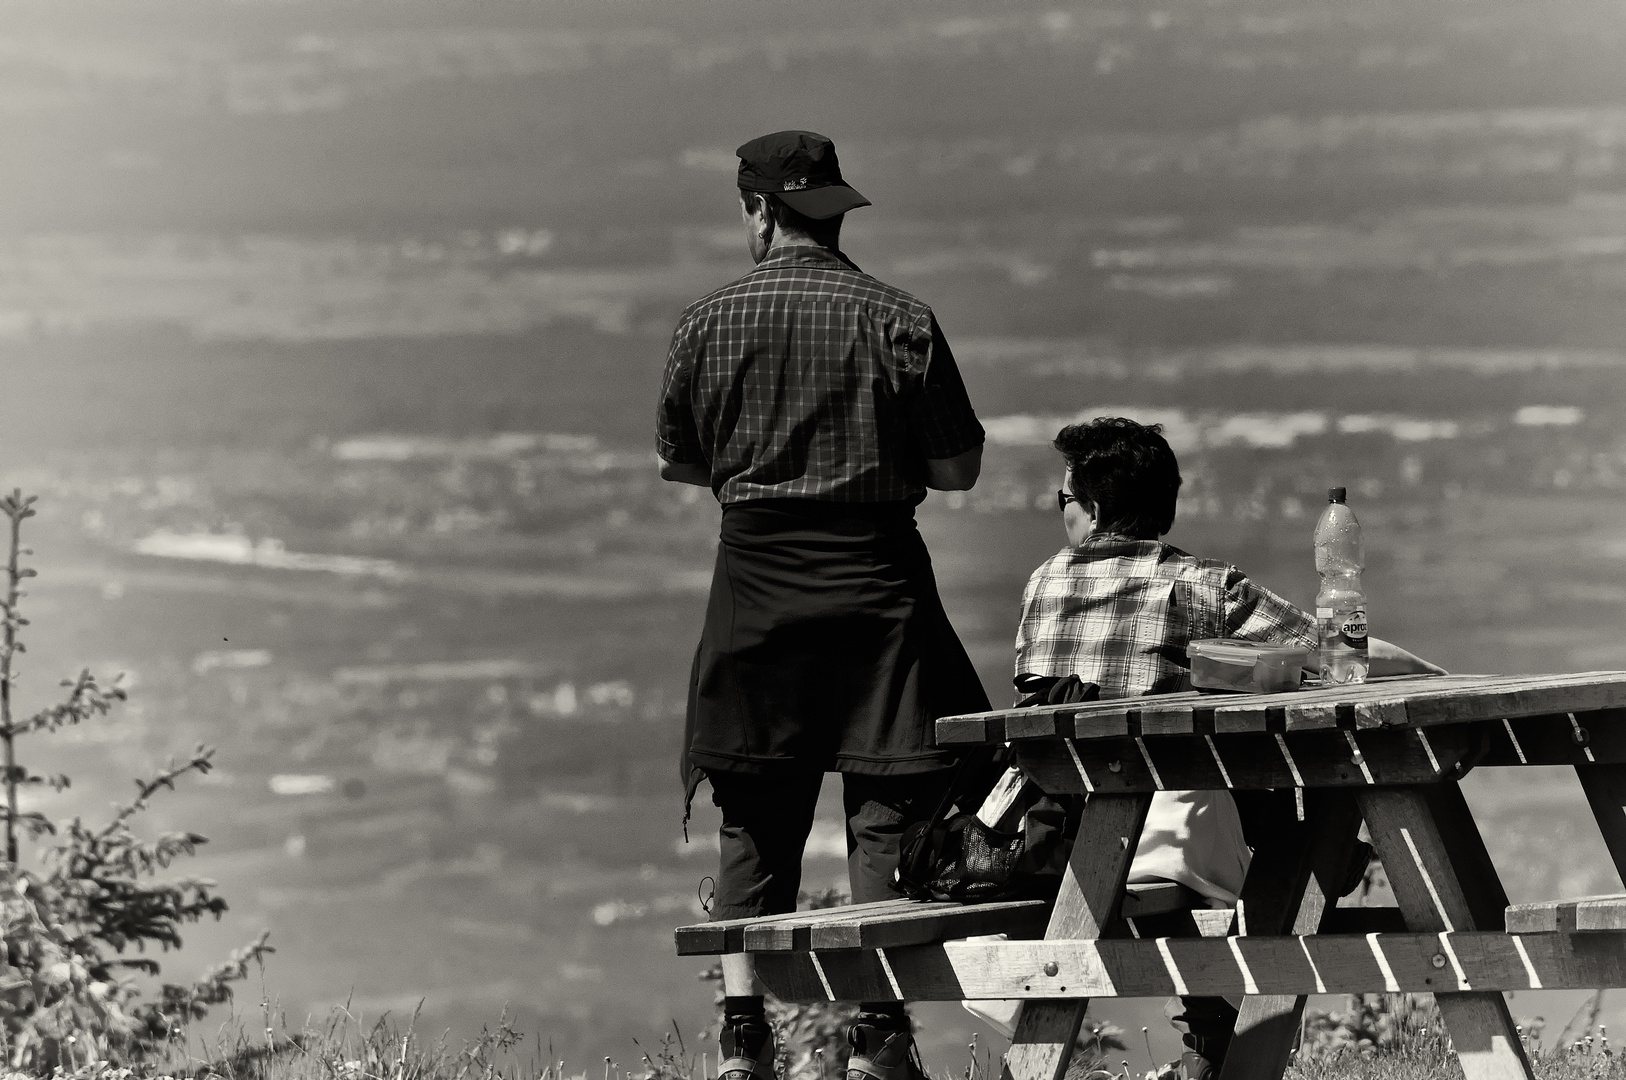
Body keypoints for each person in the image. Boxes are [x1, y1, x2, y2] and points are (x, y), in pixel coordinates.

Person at [657, 130, 991, 1080]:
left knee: (754, 815)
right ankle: (878, 1036)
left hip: (754, 592)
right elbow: (958, 469)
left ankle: (742, 1038)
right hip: (878, 592)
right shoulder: (902, 320)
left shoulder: (705, 322)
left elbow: (681, 462)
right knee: (886, 802)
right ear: (836, 209)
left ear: (758, 209)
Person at [1015, 416, 1444, 1080]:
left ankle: (1213, 1040)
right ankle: (1333, 860)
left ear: (1094, 506)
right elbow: (1340, 660)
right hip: (1167, 840)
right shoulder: (1201, 586)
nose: (1059, 511)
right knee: (1290, 807)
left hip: (1054, 842)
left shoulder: (1041, 585)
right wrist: (1433, 677)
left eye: (1062, 499)